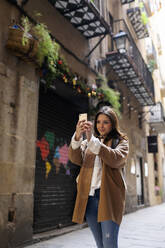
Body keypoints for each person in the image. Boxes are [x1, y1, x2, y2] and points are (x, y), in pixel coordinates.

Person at [69, 106, 129, 248]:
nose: (101, 126)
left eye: (106, 122)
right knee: (100, 244)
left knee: (109, 243)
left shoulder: (121, 141)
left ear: (113, 123)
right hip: (89, 199)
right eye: (98, 122)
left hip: (108, 197)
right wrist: (78, 136)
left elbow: (115, 158)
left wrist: (92, 140)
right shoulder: (87, 143)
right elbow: (75, 159)